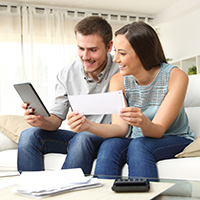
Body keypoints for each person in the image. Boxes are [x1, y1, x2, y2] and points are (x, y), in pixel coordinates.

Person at [67, 21, 194, 179]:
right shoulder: (118, 80)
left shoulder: (175, 76)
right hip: (138, 140)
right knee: (110, 145)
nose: (115, 59)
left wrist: (142, 122)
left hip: (174, 138)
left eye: (122, 53)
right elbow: (120, 129)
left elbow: (158, 130)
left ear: (143, 53)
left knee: (139, 145)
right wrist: (87, 125)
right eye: (115, 52)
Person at [17, 16, 119, 174]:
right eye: (81, 48)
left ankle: (66, 191)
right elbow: (55, 120)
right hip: (81, 139)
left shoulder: (122, 70)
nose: (85, 57)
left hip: (110, 139)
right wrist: (41, 120)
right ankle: (32, 193)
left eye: (93, 50)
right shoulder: (66, 74)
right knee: (29, 135)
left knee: (82, 137)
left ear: (109, 46)